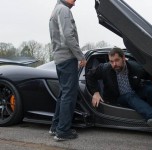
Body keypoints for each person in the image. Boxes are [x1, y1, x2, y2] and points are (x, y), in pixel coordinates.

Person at [86, 47, 152, 128]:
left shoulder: (135, 68)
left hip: (134, 93)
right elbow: (90, 75)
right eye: (111, 61)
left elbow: (146, 74)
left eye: (117, 60)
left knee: (150, 90)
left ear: (123, 58)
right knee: (129, 96)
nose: (114, 64)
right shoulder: (105, 68)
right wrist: (96, 92)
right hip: (117, 98)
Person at [49, 0, 87, 141]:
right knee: (69, 94)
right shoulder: (64, 10)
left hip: (59, 58)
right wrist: (80, 56)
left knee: (64, 93)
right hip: (67, 58)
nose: (74, 3)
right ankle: (63, 131)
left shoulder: (55, 10)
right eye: (73, 0)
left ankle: (55, 127)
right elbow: (68, 35)